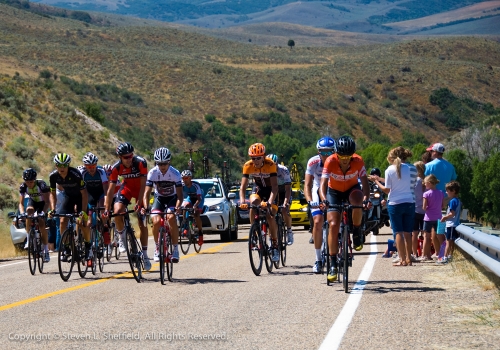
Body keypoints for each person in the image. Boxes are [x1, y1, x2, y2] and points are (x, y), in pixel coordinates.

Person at [320, 136, 371, 281]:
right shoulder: (330, 161)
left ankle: (356, 231)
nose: (344, 159)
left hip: (352, 189)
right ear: (336, 153)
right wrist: (324, 200)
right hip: (333, 192)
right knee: (334, 225)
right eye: (341, 156)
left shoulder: (358, 161)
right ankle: (333, 263)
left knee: (357, 200)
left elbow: (365, 183)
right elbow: (323, 184)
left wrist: (366, 199)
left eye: (348, 156)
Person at [103, 142, 151, 270]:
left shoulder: (141, 163)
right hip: (127, 189)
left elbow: (144, 185)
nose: (129, 159)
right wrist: (107, 209)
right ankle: (122, 238)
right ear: (120, 157)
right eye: (126, 157)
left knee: (143, 222)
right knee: (117, 211)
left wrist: (139, 202)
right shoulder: (116, 168)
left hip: (141, 190)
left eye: (130, 156)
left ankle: (145, 256)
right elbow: (110, 190)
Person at [369, 147, 416, 266]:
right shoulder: (411, 168)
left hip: (395, 203)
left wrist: (376, 182)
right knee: (407, 232)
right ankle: (409, 258)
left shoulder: (390, 169)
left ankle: (402, 259)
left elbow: (387, 189)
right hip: (409, 202)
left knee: (398, 232)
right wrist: (379, 179)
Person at [239, 143, 280, 262]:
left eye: (258, 157)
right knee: (253, 205)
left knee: (270, 215)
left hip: (271, 190)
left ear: (264, 156)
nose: (255, 161)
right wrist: (242, 201)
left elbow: (275, 187)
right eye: (253, 158)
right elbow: (243, 187)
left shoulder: (270, 164)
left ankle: (275, 245)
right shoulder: (248, 165)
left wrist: (270, 202)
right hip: (258, 188)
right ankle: (254, 231)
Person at [48, 153, 91, 265]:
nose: (62, 168)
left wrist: (84, 211)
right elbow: (52, 193)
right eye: (59, 165)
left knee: (82, 223)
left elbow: (84, 193)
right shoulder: (53, 176)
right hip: (69, 198)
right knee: (62, 221)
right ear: (55, 165)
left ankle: (88, 247)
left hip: (81, 198)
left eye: (65, 165)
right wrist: (53, 209)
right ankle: (67, 248)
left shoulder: (75, 174)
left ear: (68, 165)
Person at [142, 147, 183, 263]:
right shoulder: (152, 173)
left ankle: (175, 249)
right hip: (159, 198)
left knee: (171, 218)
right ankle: (157, 247)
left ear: (169, 162)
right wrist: (146, 207)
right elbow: (146, 194)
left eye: (164, 163)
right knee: (155, 221)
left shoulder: (175, 174)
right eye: (159, 164)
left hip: (172, 199)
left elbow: (180, 196)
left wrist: (178, 207)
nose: (162, 166)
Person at [304, 136, 336, 273]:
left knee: (336, 218)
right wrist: (310, 201)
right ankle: (318, 260)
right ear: (318, 152)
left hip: (333, 188)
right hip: (318, 187)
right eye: (323, 152)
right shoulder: (313, 162)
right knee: (317, 222)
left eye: (329, 152)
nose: (326, 155)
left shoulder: (337, 161)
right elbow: (307, 184)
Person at [79, 152, 111, 257]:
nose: (91, 168)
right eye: (89, 166)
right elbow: (80, 192)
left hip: (101, 193)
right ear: (85, 166)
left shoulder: (101, 172)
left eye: (93, 166)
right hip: (89, 195)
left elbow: (106, 192)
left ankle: (106, 230)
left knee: (102, 212)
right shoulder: (82, 173)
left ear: (96, 165)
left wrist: (106, 206)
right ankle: (92, 240)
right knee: (89, 220)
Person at [18, 168, 50, 262]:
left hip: (43, 203)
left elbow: (47, 201)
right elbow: (21, 203)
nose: (29, 184)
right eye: (27, 182)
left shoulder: (41, 184)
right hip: (33, 201)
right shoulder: (23, 186)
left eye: (31, 181)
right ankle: (29, 239)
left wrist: (43, 212)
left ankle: (46, 250)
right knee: (29, 211)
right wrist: (22, 213)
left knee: (41, 223)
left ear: (34, 180)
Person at [267, 154, 294, 245]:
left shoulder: (284, 170)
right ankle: (272, 238)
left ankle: (289, 230)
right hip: (274, 192)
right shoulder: (266, 170)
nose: (271, 166)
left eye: (273, 164)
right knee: (271, 215)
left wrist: (285, 203)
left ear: (277, 163)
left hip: (284, 192)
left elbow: (288, 189)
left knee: (284, 210)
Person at [419, 174, 444, 261]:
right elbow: (443, 206)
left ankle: (425, 255)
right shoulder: (441, 193)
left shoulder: (426, 194)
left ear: (429, 183)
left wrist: (427, 209)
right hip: (438, 218)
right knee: (439, 236)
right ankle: (442, 254)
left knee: (426, 237)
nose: (425, 185)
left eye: (425, 183)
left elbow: (424, 207)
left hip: (428, 218)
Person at [438, 181, 462, 264]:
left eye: (448, 190)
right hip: (455, 224)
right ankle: (450, 256)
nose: (446, 192)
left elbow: (452, 213)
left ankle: (445, 257)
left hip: (451, 224)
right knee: (451, 242)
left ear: (454, 191)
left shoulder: (452, 201)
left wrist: (444, 217)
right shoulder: (458, 200)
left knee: (448, 241)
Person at [180, 169, 204, 246]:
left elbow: (199, 198)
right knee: (185, 206)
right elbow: (179, 196)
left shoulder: (196, 185)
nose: (184, 180)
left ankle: (200, 233)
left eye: (186, 178)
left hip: (198, 199)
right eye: (183, 178)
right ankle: (185, 225)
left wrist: (195, 206)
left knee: (196, 214)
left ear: (190, 178)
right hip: (190, 198)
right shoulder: (182, 185)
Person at [412, 161, 426, 258]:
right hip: (425, 211)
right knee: (425, 234)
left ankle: (414, 253)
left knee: (414, 233)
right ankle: (425, 253)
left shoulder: (415, 181)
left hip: (415, 209)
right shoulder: (426, 181)